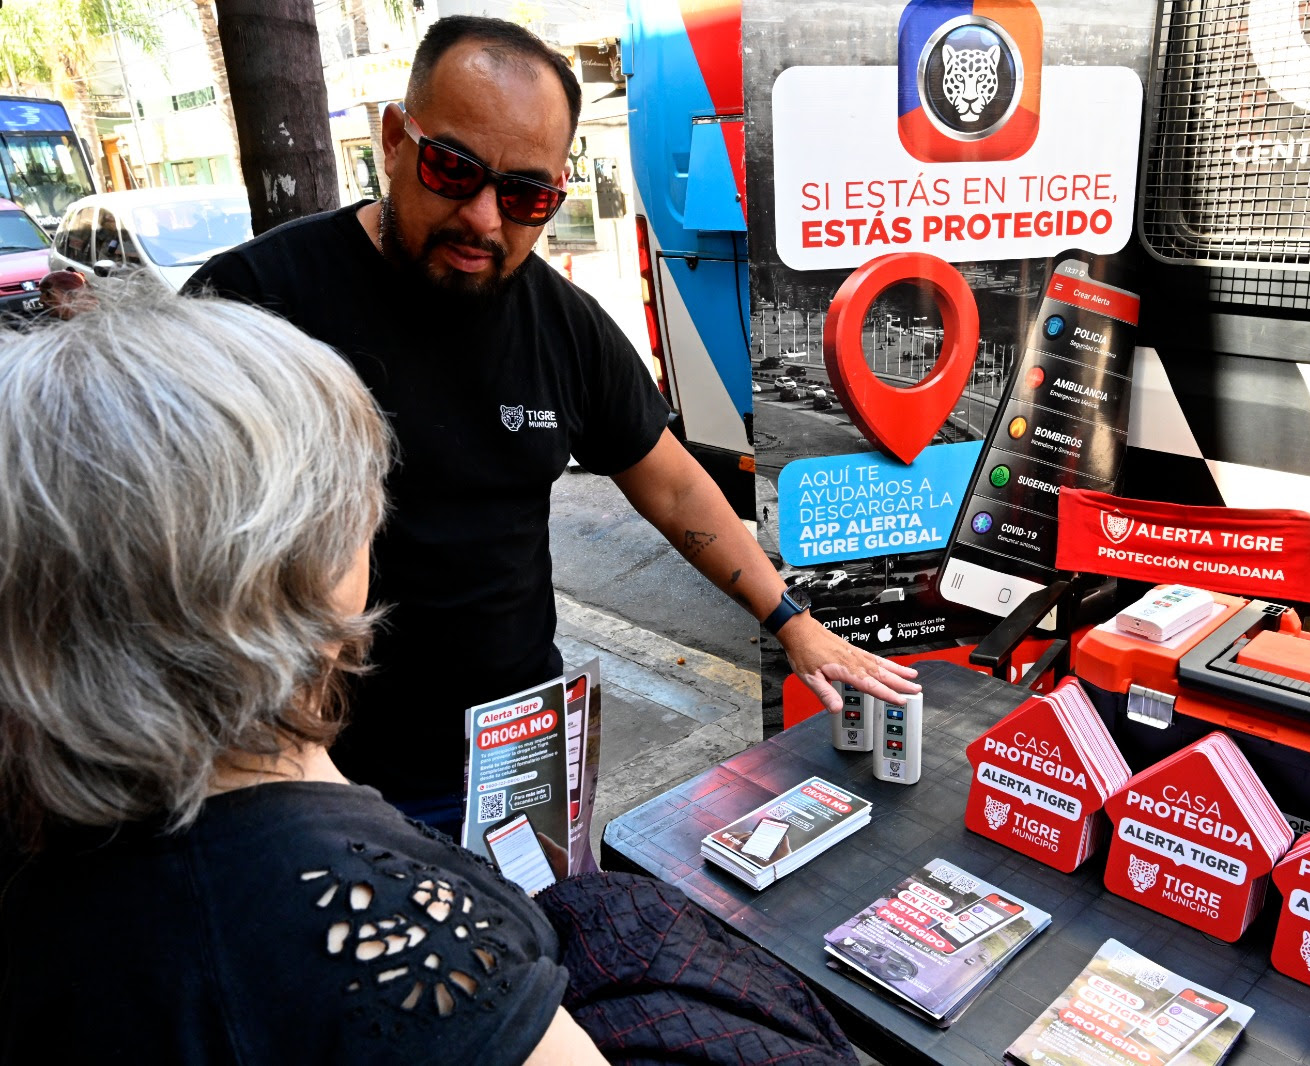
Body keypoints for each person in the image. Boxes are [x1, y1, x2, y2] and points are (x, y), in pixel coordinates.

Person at [0, 293, 855, 1065]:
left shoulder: (46, 847)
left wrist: (791, 620)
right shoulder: (404, 945)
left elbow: (670, 483)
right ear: (309, 551)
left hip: (503, 762)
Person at [184, 15, 918, 827]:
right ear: (396, 139)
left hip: (522, 757)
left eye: (527, 194)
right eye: (453, 170)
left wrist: (792, 621)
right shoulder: (255, 305)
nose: (486, 220)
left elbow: (673, 486)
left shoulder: (563, 323)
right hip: (319, 775)